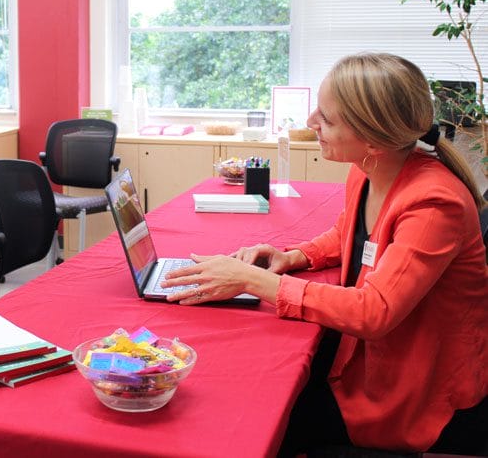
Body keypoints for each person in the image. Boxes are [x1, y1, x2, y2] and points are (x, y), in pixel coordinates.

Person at [162, 53, 487, 454]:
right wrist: (292, 258)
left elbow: (374, 311)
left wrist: (252, 280)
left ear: (373, 138)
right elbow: (348, 234)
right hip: (372, 357)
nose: (311, 121)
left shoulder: (434, 203)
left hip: (413, 385)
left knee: (255, 413)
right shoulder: (370, 169)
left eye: (328, 119)